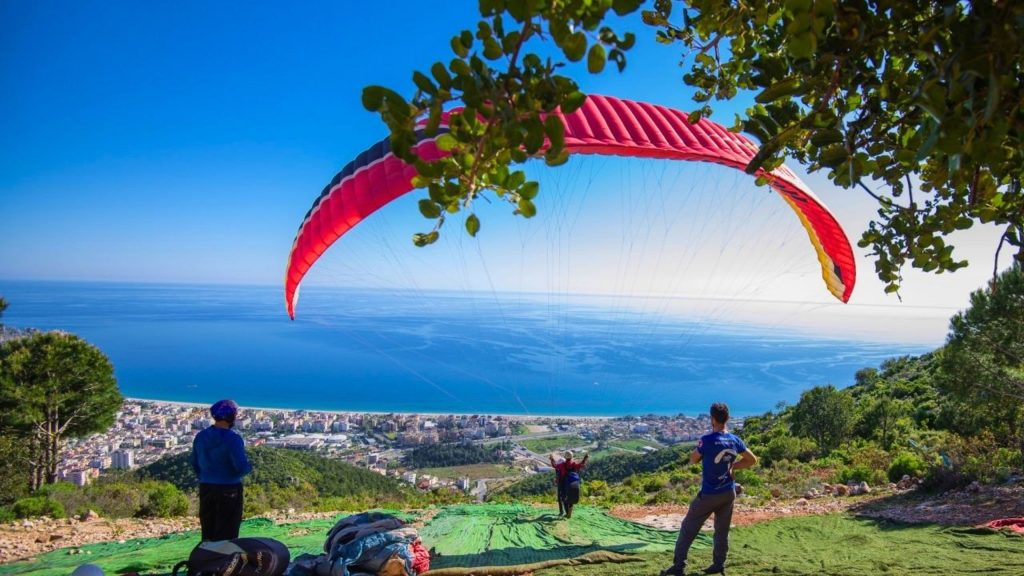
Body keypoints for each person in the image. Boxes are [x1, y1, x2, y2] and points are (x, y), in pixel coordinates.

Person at [662, 402, 757, 576]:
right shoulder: (735, 440)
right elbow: (752, 460)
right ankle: (719, 564)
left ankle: (678, 567)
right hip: (728, 492)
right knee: (722, 531)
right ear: (727, 419)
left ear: (712, 419)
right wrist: (733, 466)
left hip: (708, 494)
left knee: (688, 529)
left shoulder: (707, 440)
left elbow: (693, 459)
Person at [190, 399, 252, 541]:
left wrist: (206, 476)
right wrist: (249, 467)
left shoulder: (201, 436)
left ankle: (206, 559)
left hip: (206, 487)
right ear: (232, 417)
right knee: (227, 531)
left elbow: (195, 462)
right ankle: (224, 561)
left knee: (208, 528)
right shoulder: (233, 439)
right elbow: (241, 467)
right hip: (229, 489)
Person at [549, 450, 588, 519]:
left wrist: (552, 459)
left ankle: (567, 513)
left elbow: (554, 465)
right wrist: (585, 459)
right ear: (572, 457)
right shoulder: (574, 464)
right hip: (573, 482)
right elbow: (581, 465)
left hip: (564, 483)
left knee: (564, 498)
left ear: (565, 457)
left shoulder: (562, 465)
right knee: (571, 497)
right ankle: (569, 511)